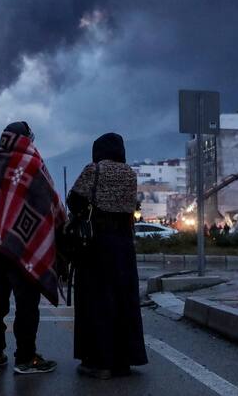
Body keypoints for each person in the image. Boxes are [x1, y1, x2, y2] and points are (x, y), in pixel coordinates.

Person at [0, 121, 67, 375]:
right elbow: (50, 201)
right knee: (26, 302)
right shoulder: (32, 163)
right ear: (27, 138)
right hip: (23, 246)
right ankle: (26, 358)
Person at [67, 133, 148, 379]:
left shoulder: (94, 170)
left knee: (96, 300)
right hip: (124, 245)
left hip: (96, 244)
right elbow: (133, 207)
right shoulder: (130, 174)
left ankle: (99, 362)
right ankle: (122, 361)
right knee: (124, 299)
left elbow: (75, 199)